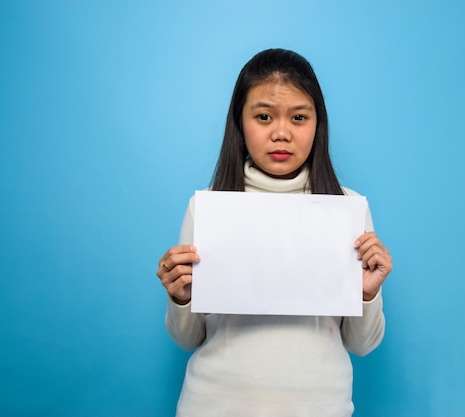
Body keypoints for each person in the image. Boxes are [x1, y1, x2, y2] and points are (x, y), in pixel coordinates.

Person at [156, 48, 393, 417]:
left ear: (318, 124)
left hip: (320, 407)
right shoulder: (207, 208)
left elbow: (362, 345)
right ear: (240, 122)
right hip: (212, 405)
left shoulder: (348, 208)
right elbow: (187, 339)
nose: (281, 133)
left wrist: (367, 294)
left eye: (299, 117)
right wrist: (181, 298)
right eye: (264, 116)